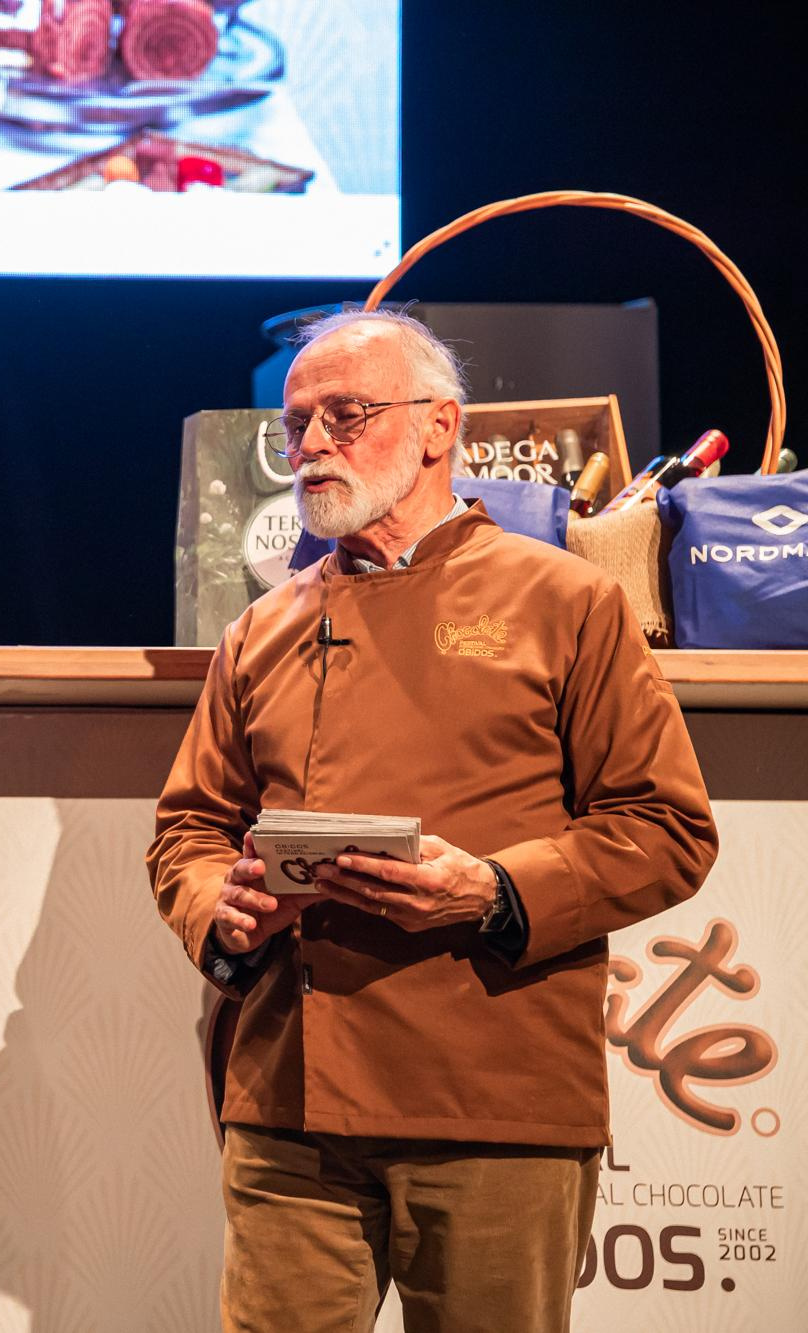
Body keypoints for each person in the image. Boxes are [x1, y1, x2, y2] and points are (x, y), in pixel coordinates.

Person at [147, 308, 717, 1333]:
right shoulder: (259, 630)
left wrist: (493, 888)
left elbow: (663, 826)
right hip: (288, 1110)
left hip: (493, 1100)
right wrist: (218, 911)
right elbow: (187, 829)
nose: (311, 444)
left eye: (344, 414)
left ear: (436, 428)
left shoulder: (565, 601)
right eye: (295, 424)